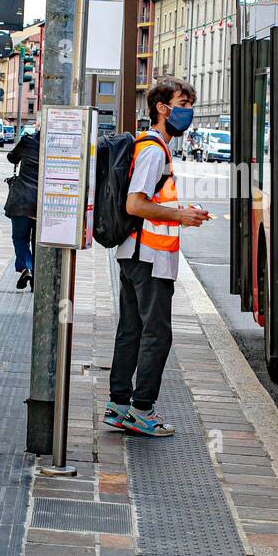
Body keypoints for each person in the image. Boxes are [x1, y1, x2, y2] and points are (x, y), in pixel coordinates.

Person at [106, 78, 212, 438]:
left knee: (132, 330)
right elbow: (135, 203)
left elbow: (149, 202)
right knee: (157, 335)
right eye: (183, 103)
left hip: (136, 254)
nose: (189, 111)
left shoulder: (152, 147)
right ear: (162, 108)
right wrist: (180, 216)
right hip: (148, 257)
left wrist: (180, 211)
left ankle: (118, 406)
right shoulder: (154, 150)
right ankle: (141, 410)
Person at [5, 121, 40, 290]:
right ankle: (36, 275)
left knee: (19, 237)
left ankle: (27, 267)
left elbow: (12, 157)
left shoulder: (28, 140)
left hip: (22, 200)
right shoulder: (57, 147)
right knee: (38, 241)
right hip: (43, 203)